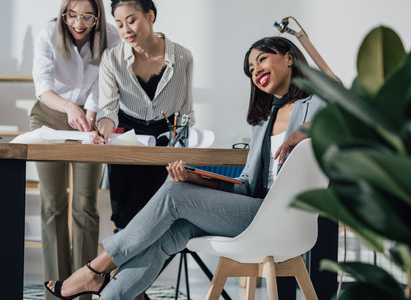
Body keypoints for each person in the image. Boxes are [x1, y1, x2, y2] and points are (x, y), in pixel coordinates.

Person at [45, 36, 325, 300]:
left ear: (289, 58)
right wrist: (197, 179)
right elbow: (249, 185)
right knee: (176, 224)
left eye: (262, 60)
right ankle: (110, 294)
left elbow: (349, 117)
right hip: (256, 209)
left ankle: (97, 267)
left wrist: (309, 129)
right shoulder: (263, 121)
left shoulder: (315, 106)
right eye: (251, 68)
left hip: (282, 218)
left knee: (174, 195)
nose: (256, 71)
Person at [30, 1, 121, 299]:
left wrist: (90, 118)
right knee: (53, 204)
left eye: (86, 16)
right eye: (72, 15)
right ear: (63, 13)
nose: (78, 23)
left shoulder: (111, 37)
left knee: (85, 206)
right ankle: (55, 288)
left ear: (97, 16)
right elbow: (43, 87)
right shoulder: (47, 33)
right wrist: (69, 106)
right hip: (50, 115)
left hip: (89, 119)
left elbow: (105, 85)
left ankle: (81, 288)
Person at [90, 0, 195, 231]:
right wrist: (102, 131)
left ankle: (120, 264)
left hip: (161, 138)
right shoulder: (112, 58)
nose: (125, 30)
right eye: (119, 24)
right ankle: (118, 265)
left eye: (131, 20)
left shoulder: (182, 57)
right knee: (121, 213)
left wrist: (183, 150)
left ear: (150, 16)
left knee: (144, 211)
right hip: (125, 135)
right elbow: (108, 109)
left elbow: (185, 111)